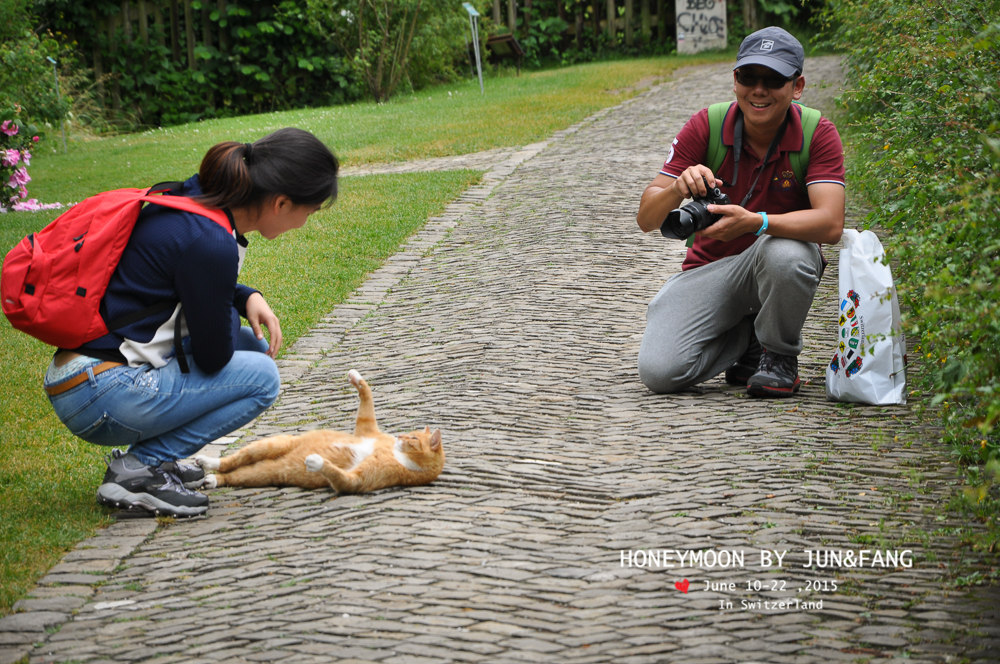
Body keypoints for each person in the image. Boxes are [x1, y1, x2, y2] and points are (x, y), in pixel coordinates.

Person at [43, 127, 339, 517]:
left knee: (250, 346)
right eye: (310, 212)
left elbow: (178, 276)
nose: (304, 222)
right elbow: (214, 355)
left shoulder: (195, 201)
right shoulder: (212, 242)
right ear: (282, 203)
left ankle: (155, 464)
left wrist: (243, 294)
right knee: (262, 377)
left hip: (82, 377)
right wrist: (227, 300)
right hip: (99, 393)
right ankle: (140, 469)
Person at [636, 27, 845, 398]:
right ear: (735, 80)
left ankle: (779, 355)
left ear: (797, 86)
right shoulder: (707, 125)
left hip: (776, 261)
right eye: (749, 77)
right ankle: (749, 339)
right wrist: (676, 188)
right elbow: (647, 220)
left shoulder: (818, 134)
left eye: (773, 79)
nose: (759, 90)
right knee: (660, 372)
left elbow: (830, 224)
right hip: (709, 271)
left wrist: (758, 223)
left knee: (785, 252)